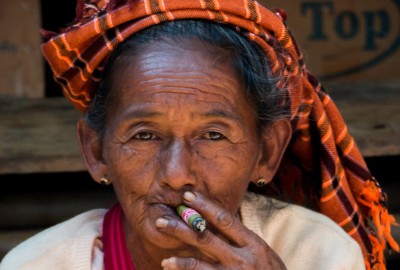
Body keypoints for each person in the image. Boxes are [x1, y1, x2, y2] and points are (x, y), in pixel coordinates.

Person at [0, 0, 398, 269]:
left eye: (213, 135)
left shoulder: (317, 252)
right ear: (96, 151)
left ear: (268, 151)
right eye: (143, 136)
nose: (177, 174)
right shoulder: (39, 263)